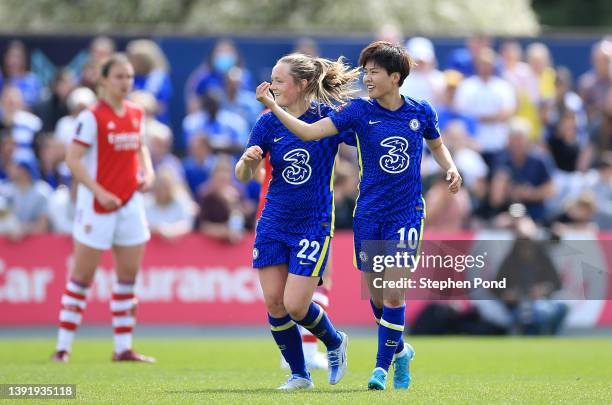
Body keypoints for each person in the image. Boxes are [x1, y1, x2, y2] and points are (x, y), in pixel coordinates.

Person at [255, 41, 462, 390]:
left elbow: (437, 143)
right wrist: (273, 107)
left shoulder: (422, 111)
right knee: (379, 299)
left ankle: (379, 370)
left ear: (395, 77)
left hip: (407, 213)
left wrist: (451, 168)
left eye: (374, 72)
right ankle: (401, 352)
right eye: (364, 71)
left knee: (394, 294)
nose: (366, 78)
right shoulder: (357, 112)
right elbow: (307, 132)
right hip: (368, 214)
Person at [237, 53, 359, 390]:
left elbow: (361, 139)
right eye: (272, 79)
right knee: (275, 302)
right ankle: (299, 375)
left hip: (312, 222)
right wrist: (247, 163)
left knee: (295, 304)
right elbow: (244, 173)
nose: (272, 86)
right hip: (273, 220)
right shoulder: (266, 122)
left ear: (303, 84)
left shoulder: (326, 119)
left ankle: (334, 342)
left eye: (279, 80)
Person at [51, 54, 156, 363]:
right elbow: (72, 159)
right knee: (82, 277)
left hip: (129, 203)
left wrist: (147, 172)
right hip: (97, 205)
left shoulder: (136, 113)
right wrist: (99, 191)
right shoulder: (90, 117)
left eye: (129, 77)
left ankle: (123, 347)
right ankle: (63, 347)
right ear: (104, 80)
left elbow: (140, 147)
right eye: (120, 76)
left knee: (128, 277)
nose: (126, 82)